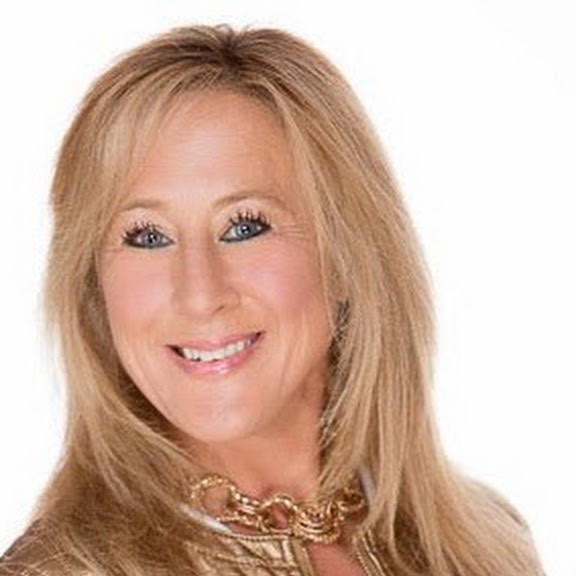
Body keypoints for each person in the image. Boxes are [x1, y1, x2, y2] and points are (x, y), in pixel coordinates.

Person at [0, 24, 543, 575]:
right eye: (147, 236)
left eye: (244, 226)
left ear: (347, 255)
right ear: (94, 288)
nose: (199, 294)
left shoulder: (488, 548)